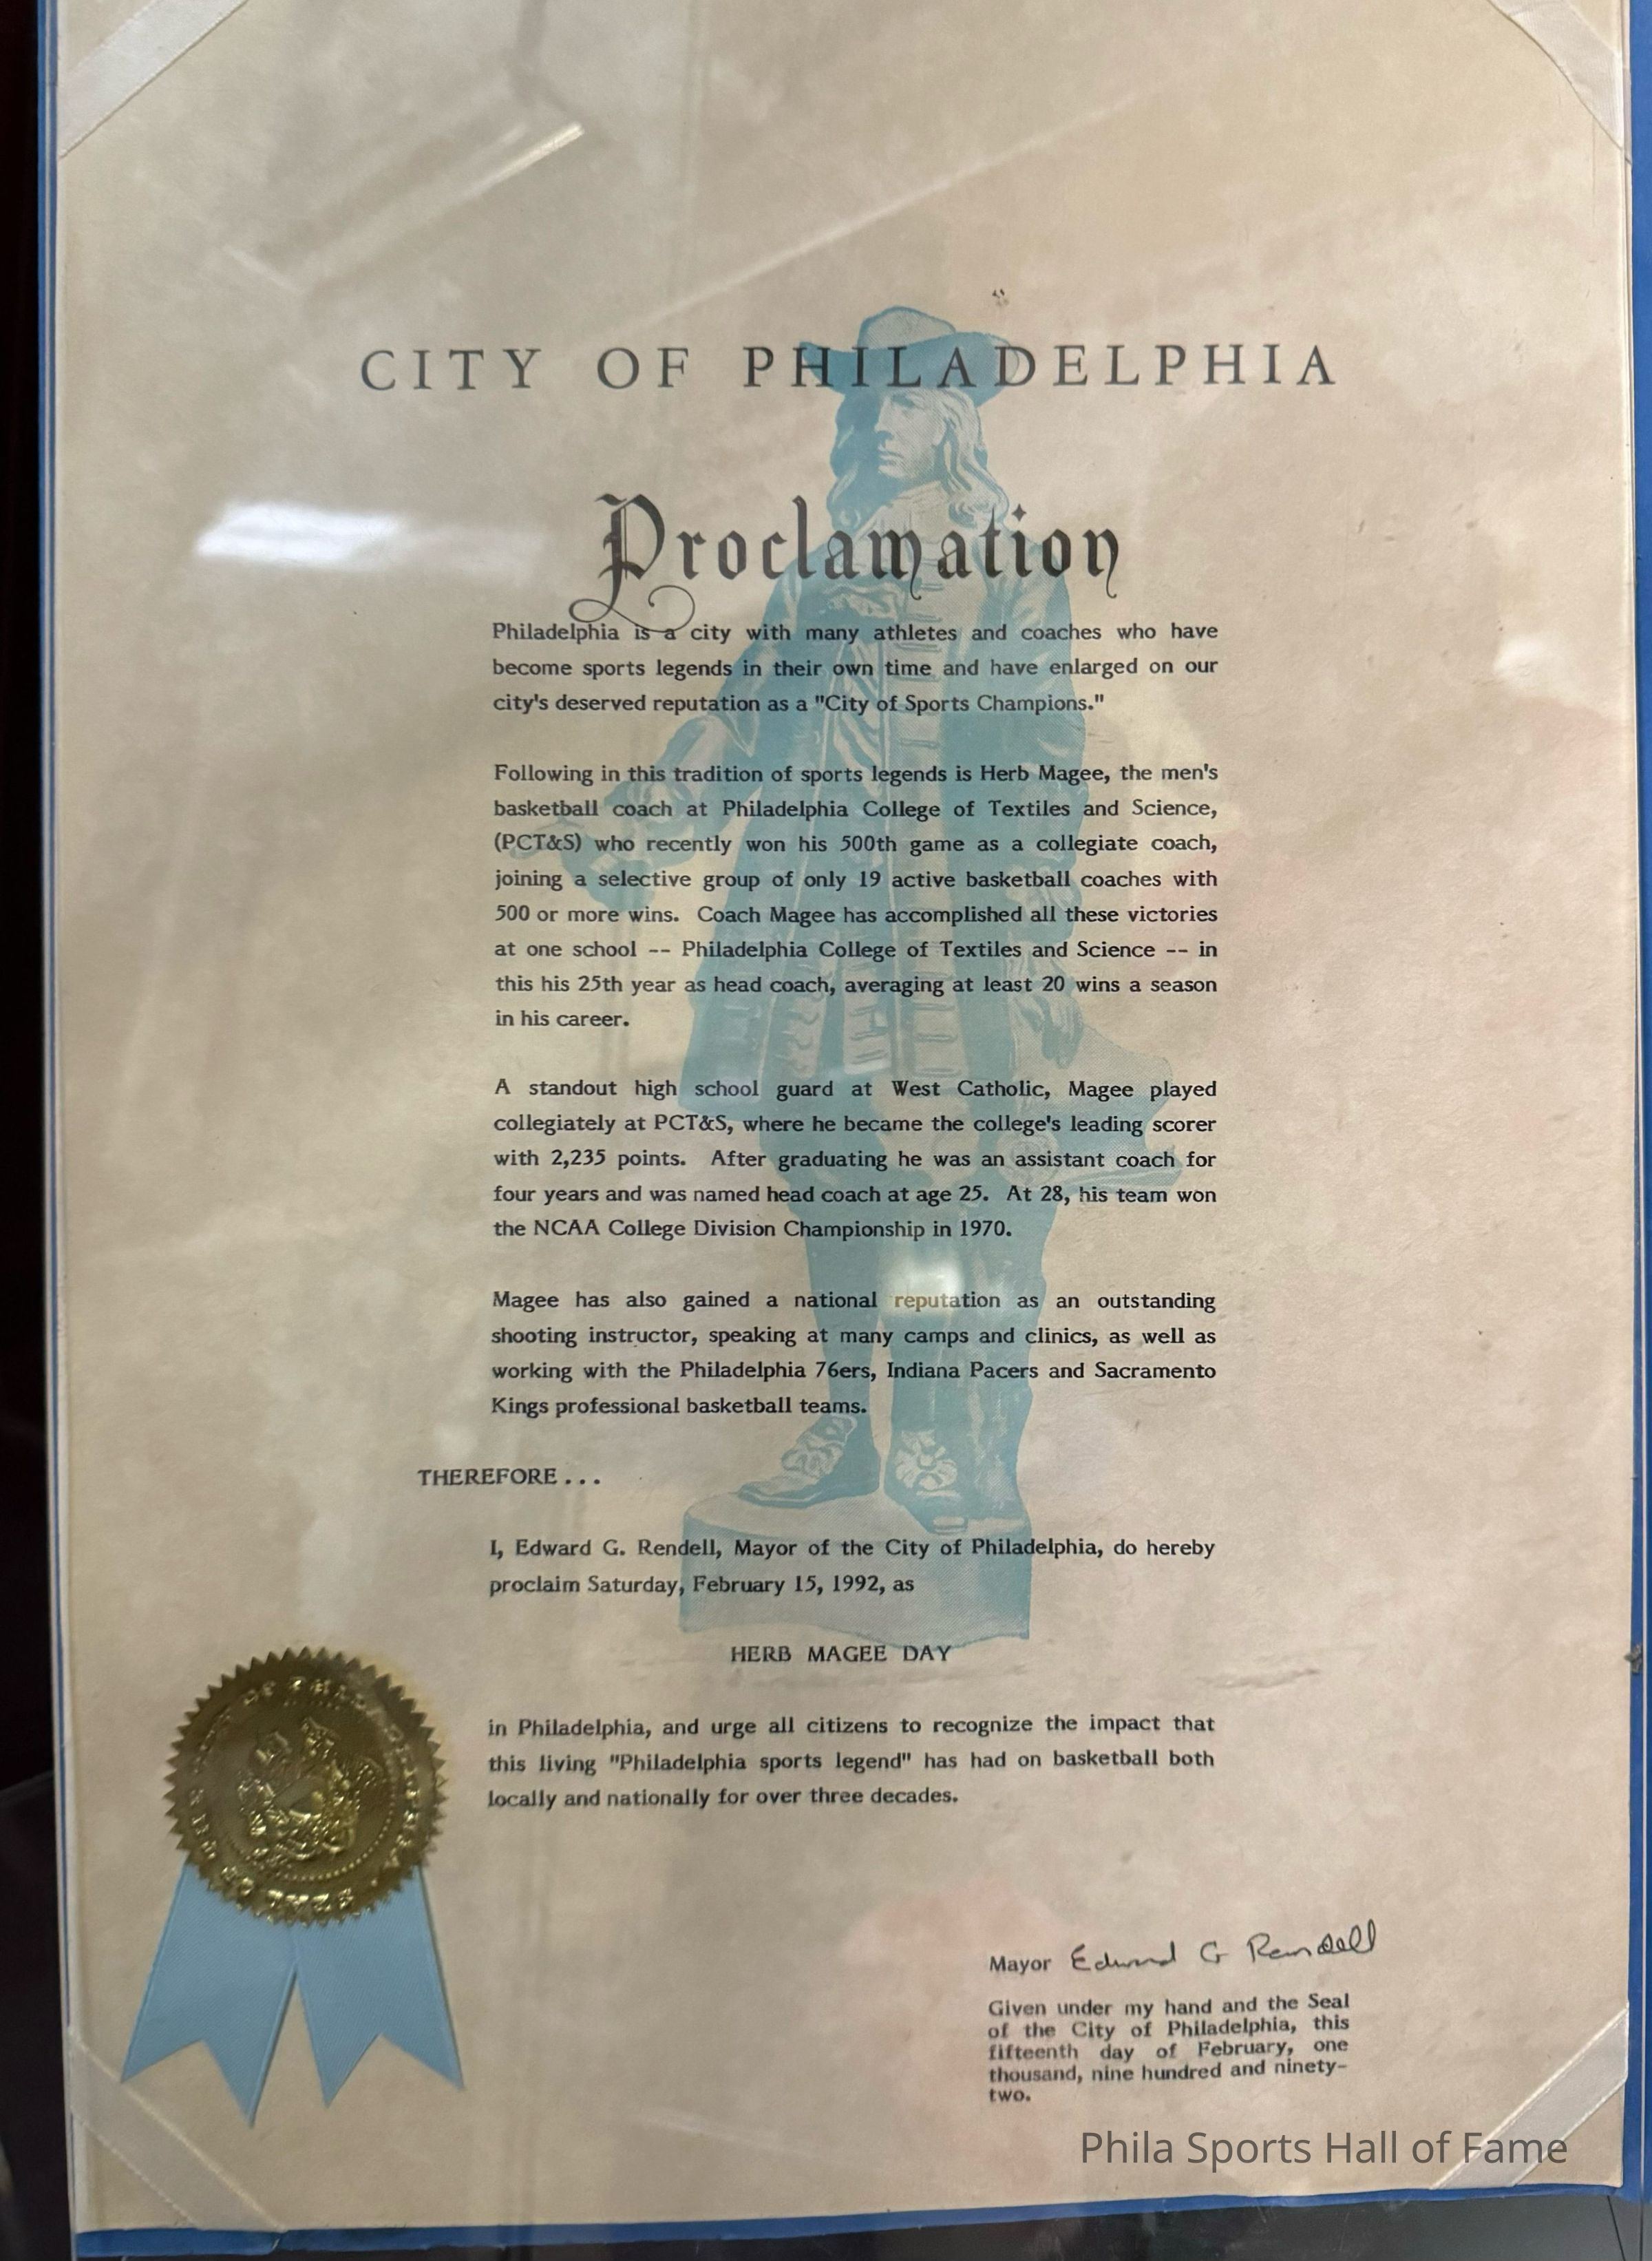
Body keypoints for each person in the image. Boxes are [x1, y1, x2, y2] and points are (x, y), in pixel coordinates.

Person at [579, 308, 1165, 1543]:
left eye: (900, 401)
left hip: (930, 914)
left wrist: (1033, 928)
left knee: (929, 1182)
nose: (873, 423)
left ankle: (935, 1427)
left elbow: (1046, 752)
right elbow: (744, 721)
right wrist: (647, 828)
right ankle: (848, 1415)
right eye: (863, 403)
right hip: (802, 906)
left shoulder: (1010, 566)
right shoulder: (813, 571)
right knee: (824, 1170)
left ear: (948, 420)